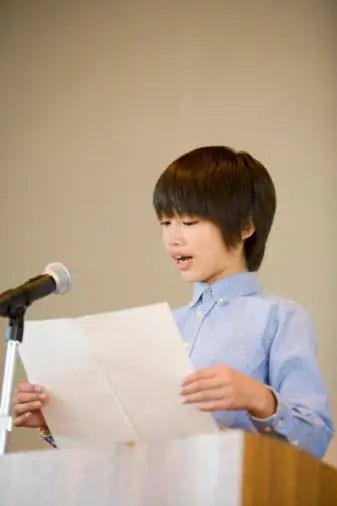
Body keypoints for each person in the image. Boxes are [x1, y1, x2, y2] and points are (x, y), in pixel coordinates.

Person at [12, 145, 334, 458]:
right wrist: (58, 420)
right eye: (166, 223)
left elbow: (316, 439)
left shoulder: (280, 318)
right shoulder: (161, 326)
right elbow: (126, 442)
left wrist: (259, 398)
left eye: (190, 222)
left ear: (246, 226)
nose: (173, 238)